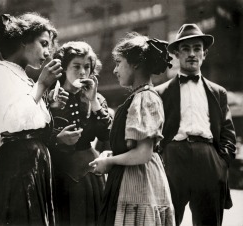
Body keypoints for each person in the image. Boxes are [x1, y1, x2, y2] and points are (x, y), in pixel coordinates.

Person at [0, 13, 67, 226]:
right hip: (17, 163)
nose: (47, 52)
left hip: (33, 162)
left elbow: (33, 122)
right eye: (43, 43)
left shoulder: (24, 78)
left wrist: (50, 106)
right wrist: (42, 85)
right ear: (23, 40)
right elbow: (11, 121)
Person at [89, 32, 175, 226]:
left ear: (135, 64)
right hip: (130, 178)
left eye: (119, 62)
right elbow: (128, 144)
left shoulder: (145, 97)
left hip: (139, 183)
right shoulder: (138, 97)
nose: (115, 70)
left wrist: (109, 161)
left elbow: (143, 154)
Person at [155, 24, 237, 226]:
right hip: (173, 159)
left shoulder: (218, 92)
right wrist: (163, 159)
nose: (192, 54)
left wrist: (221, 162)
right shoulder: (160, 92)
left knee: (209, 221)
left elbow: (228, 132)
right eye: (185, 49)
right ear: (176, 53)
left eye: (197, 48)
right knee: (167, 221)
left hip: (208, 160)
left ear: (204, 53)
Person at [48, 41, 112, 226]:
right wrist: (57, 138)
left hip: (88, 172)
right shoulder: (50, 96)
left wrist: (94, 102)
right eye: (76, 66)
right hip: (58, 171)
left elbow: (106, 134)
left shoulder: (97, 99)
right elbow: (37, 134)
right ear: (64, 68)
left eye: (87, 67)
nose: (83, 72)